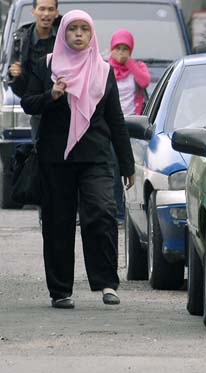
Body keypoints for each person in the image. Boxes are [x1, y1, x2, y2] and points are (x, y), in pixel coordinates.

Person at [21, 10, 135, 309]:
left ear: (92, 34)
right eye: (73, 29)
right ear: (64, 34)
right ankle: (60, 291)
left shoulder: (103, 70)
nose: (79, 34)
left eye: (85, 29)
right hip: (55, 158)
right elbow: (28, 104)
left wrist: (127, 163)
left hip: (95, 155)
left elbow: (116, 119)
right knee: (58, 223)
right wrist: (52, 95)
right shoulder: (46, 67)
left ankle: (106, 282)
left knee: (101, 213)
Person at [108, 29, 150, 224]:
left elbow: (144, 81)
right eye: (118, 48)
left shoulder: (137, 67)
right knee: (115, 167)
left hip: (132, 125)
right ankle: (117, 210)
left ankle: (133, 208)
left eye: (126, 49)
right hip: (111, 125)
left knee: (132, 168)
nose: (121, 53)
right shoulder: (104, 67)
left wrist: (130, 64)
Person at [8, 0, 60, 143]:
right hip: (36, 107)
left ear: (56, 13)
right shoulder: (21, 39)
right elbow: (15, 85)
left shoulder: (65, 37)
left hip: (63, 107)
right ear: (34, 11)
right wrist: (15, 75)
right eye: (42, 9)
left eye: (50, 9)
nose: (46, 14)